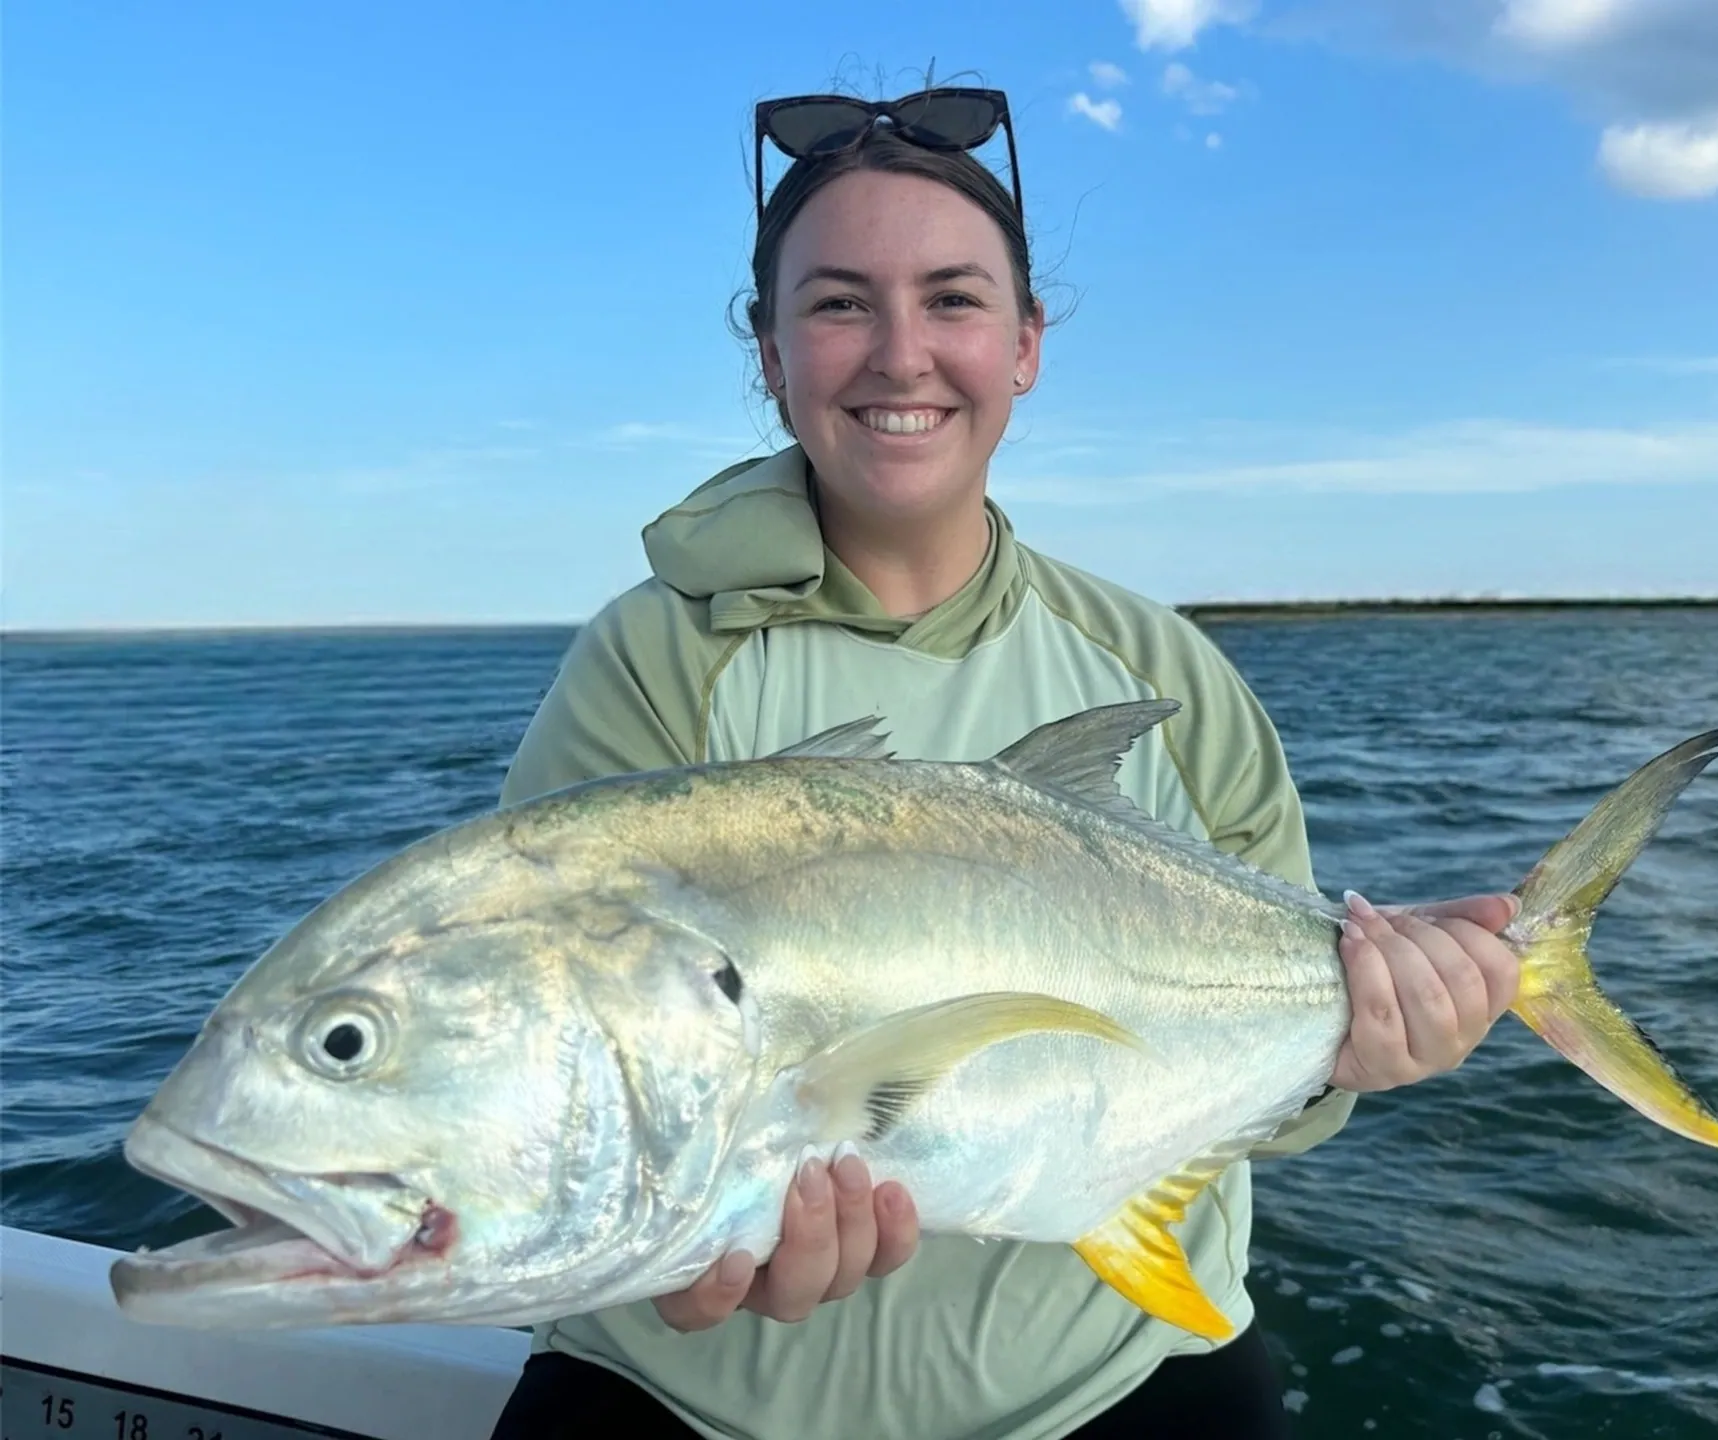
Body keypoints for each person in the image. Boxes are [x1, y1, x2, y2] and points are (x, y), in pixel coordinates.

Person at [486, 84, 1521, 1440]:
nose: (900, 354)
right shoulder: (654, 663)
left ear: (1028, 344)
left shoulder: (1164, 675)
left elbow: (1262, 1088)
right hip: (682, 1409)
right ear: (770, 351)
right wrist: (678, 1261)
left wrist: (1356, 1051)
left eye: (956, 301)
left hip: (1122, 1392)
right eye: (841, 303)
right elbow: (572, 1050)